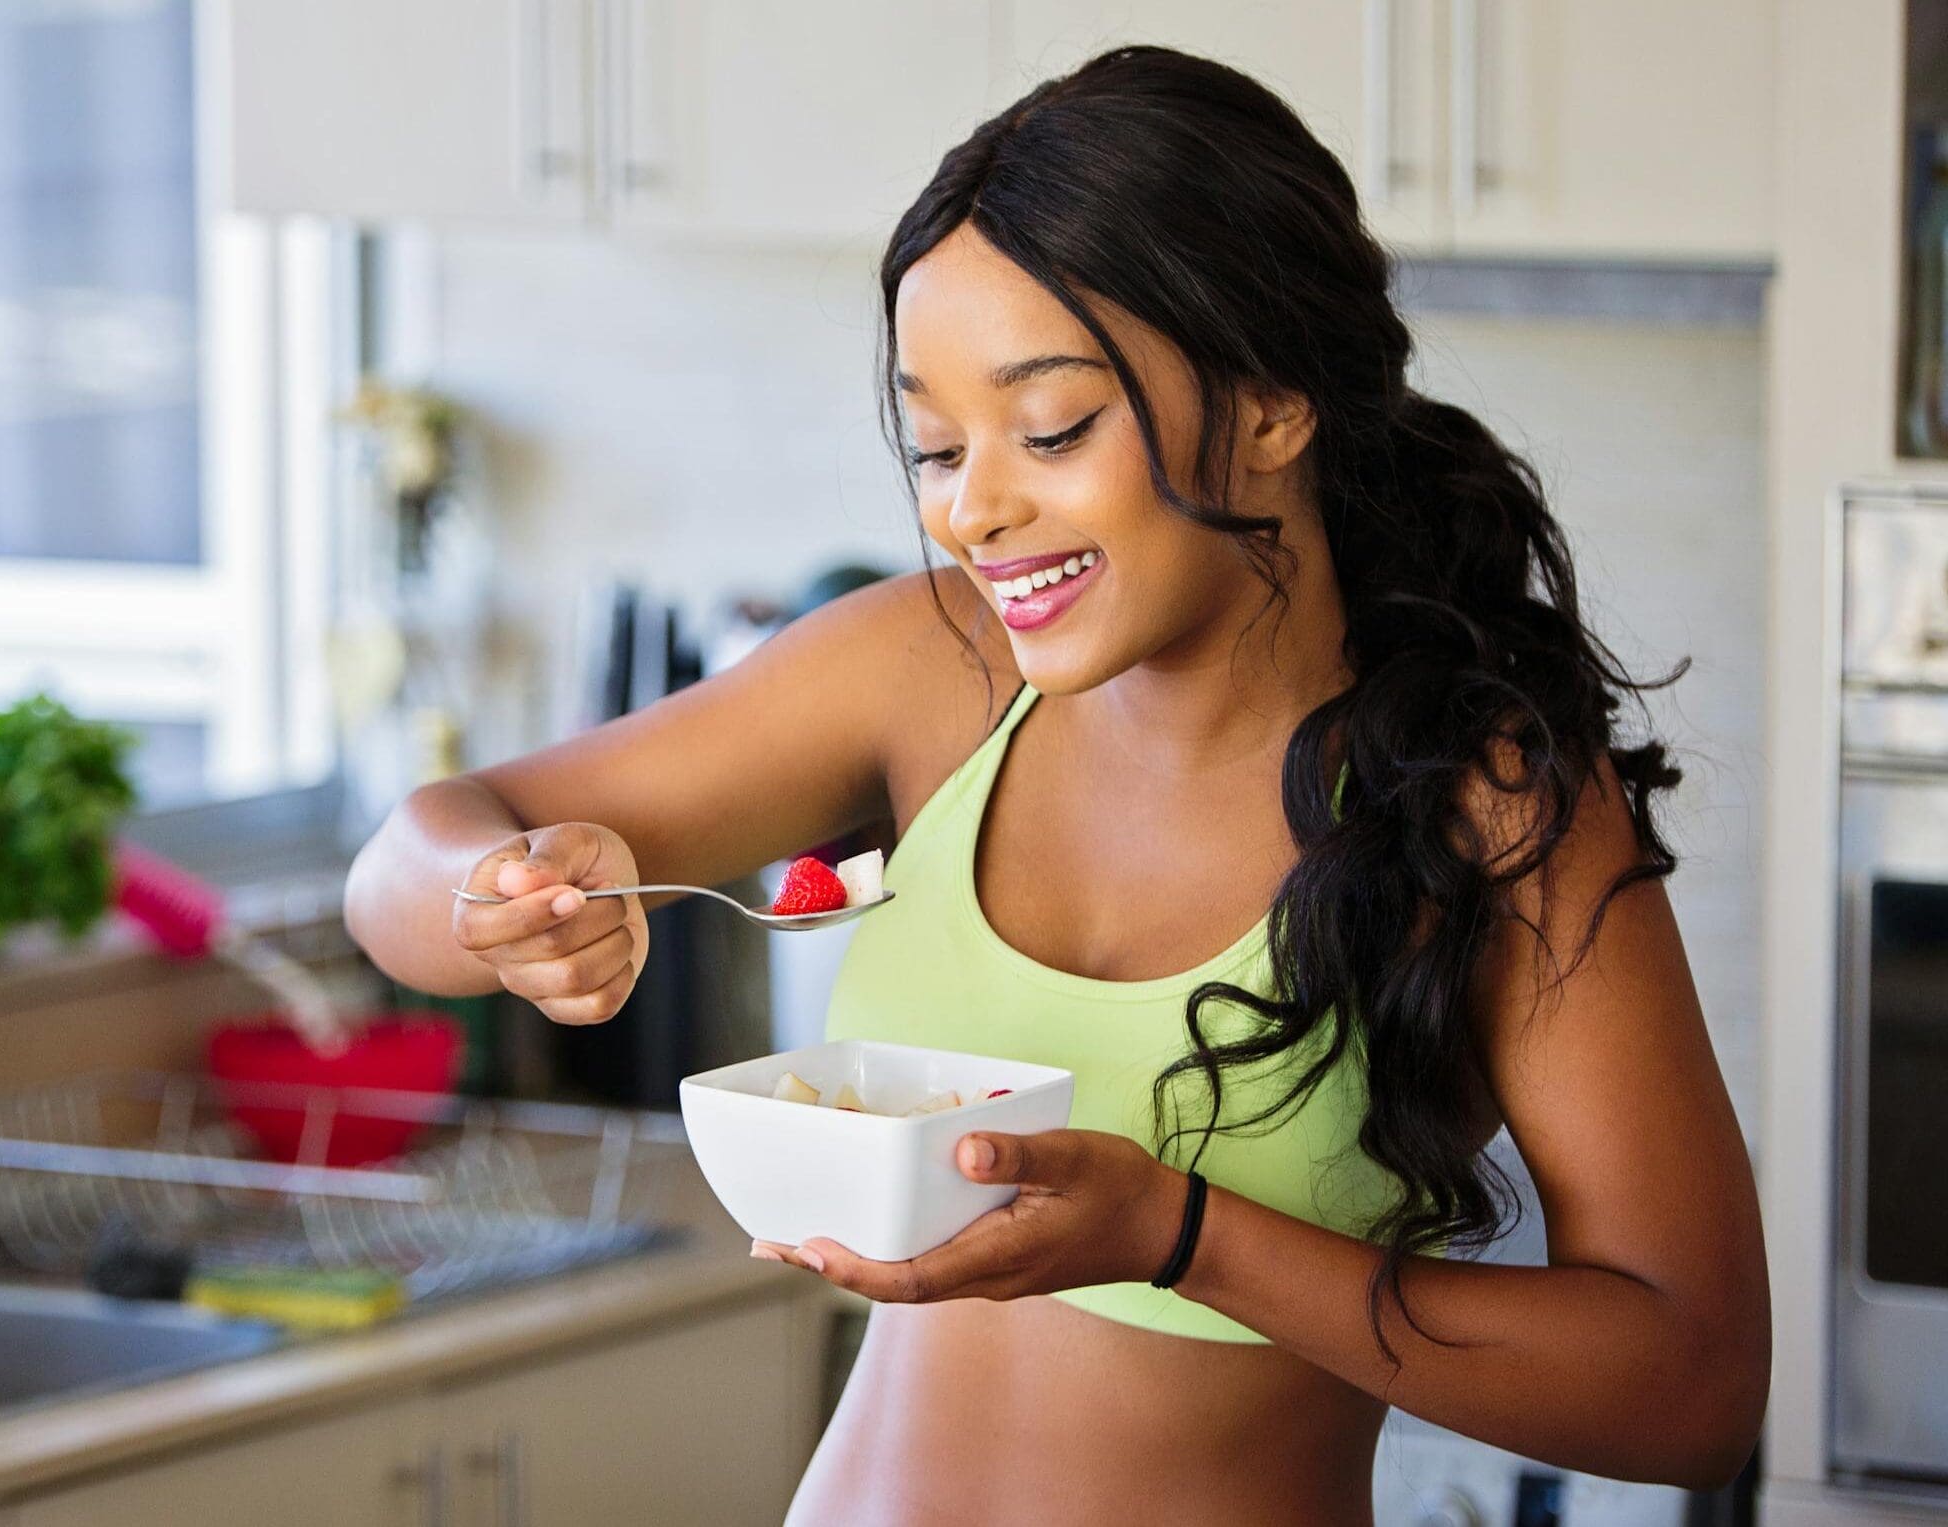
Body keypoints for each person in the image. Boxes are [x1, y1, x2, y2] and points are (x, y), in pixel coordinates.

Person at [344, 45, 1769, 1526]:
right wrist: (491, 901)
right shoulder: (929, 671)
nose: (975, 510)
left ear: (1275, 403)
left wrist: (1182, 1236)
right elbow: (409, 862)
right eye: (939, 444)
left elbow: (1695, 1387)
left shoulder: (1486, 805)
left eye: (1054, 427)